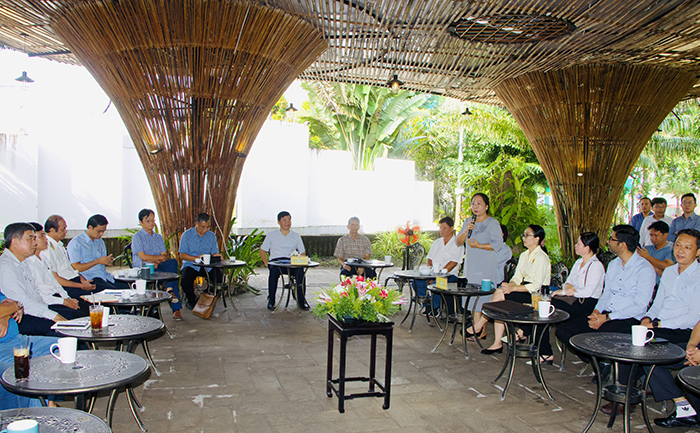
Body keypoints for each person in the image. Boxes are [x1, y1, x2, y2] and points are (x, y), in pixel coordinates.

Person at [617, 229, 700, 424]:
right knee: (628, 339)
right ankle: (627, 393)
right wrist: (648, 318)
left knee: (645, 352)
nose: (680, 250)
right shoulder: (669, 271)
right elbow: (657, 303)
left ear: (698, 252)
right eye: (678, 245)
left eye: (687, 247)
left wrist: (657, 324)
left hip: (683, 330)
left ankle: (629, 396)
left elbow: (693, 317)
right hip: (660, 326)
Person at [556, 225, 656, 351]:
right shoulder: (613, 264)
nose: (608, 242)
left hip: (627, 318)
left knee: (596, 339)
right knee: (564, 330)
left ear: (622, 245)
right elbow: (606, 293)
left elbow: (640, 306)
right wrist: (596, 312)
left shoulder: (645, 269)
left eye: (612, 239)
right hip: (605, 313)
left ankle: (600, 360)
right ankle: (595, 360)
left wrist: (608, 318)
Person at [473, 224, 551, 356]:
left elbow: (536, 286)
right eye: (523, 235)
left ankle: (482, 326)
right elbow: (517, 276)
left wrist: (514, 288)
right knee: (500, 293)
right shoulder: (524, 255)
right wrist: (510, 285)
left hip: (536, 295)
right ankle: (492, 337)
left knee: (500, 296)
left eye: (527, 235)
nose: (524, 238)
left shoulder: (541, 258)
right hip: (523, 289)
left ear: (537, 239)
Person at [545, 232, 605, 362]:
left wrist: (568, 291)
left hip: (586, 304)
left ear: (587, 248)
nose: (575, 246)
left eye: (578, 243)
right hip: (574, 300)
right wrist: (568, 288)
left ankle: (545, 350)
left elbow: (588, 292)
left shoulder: (596, 266)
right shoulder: (579, 262)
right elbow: (568, 282)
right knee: (545, 305)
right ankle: (543, 349)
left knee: (547, 307)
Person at [0, 223, 66, 337]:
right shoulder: (6, 266)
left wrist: (50, 312)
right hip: (20, 316)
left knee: (73, 317)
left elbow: (36, 294)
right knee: (59, 329)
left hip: (34, 309)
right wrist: (53, 316)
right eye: (30, 238)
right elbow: (22, 302)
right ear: (15, 242)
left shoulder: (23, 262)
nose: (34, 243)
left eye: (34, 239)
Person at [456, 193, 504, 337]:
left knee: (484, 297)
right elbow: (458, 241)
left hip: (486, 264)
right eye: (473, 203)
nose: (475, 206)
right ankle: (478, 329)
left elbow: (498, 244)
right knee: (472, 297)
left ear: (486, 206)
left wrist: (479, 246)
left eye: (479, 203)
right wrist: (466, 231)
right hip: (472, 264)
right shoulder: (468, 221)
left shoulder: (493, 223)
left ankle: (479, 329)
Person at [0, 292, 58, 409]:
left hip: (18, 339)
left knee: (59, 347)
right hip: (3, 346)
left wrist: (5, 316)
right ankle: (34, 412)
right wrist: (12, 308)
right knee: (21, 370)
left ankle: (48, 401)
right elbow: (12, 306)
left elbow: (10, 303)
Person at [25, 223, 89, 319]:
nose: (46, 239)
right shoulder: (28, 264)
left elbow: (55, 283)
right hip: (46, 302)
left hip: (57, 297)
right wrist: (64, 302)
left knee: (86, 308)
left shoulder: (44, 259)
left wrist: (67, 298)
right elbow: (40, 294)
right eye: (42, 236)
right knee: (77, 315)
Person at [132, 209, 183, 320]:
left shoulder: (158, 237)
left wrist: (156, 261)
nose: (151, 223)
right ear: (140, 222)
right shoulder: (137, 237)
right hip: (144, 268)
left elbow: (164, 255)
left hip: (157, 265)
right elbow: (143, 257)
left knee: (172, 263)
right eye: (148, 221)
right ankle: (176, 308)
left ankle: (169, 288)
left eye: (153, 220)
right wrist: (156, 260)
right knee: (170, 276)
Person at [66, 214, 129, 292]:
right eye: (99, 231)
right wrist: (98, 261)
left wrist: (106, 260)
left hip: (104, 276)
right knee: (116, 293)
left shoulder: (100, 241)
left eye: (103, 231)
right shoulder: (76, 243)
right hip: (90, 279)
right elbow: (76, 267)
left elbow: (101, 262)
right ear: (90, 227)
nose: (101, 234)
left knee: (129, 287)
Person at [413, 216, 464, 314]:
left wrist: (438, 275)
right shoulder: (437, 242)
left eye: (444, 228)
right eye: (440, 228)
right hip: (433, 273)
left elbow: (453, 263)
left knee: (438, 284)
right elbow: (429, 259)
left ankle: (435, 308)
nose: (442, 230)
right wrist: (431, 273)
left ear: (451, 228)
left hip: (449, 275)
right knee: (417, 282)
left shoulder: (457, 244)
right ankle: (427, 305)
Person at [259, 211, 308, 311]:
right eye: (284, 220)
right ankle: (271, 300)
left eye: (289, 220)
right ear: (279, 222)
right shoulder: (271, 235)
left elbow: (302, 251)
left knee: (301, 273)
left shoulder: (296, 236)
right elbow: (262, 250)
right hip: (276, 262)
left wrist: (299, 261)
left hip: (290, 262)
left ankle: (301, 300)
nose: (287, 222)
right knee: (273, 273)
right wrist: (266, 263)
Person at [41, 215, 97, 298]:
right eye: (63, 229)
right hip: (66, 285)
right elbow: (55, 278)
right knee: (98, 295)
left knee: (101, 285)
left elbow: (70, 268)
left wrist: (83, 281)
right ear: (52, 230)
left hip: (74, 279)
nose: (65, 231)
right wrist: (81, 286)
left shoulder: (59, 245)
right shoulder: (47, 248)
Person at [178, 213, 222, 310]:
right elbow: (182, 255)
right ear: (196, 224)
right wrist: (196, 258)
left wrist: (217, 256)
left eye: (207, 227)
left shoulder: (211, 236)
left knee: (219, 278)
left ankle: (203, 297)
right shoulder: (187, 235)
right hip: (191, 264)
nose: (205, 230)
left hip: (207, 266)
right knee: (185, 280)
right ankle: (191, 301)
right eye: (202, 227)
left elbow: (214, 252)